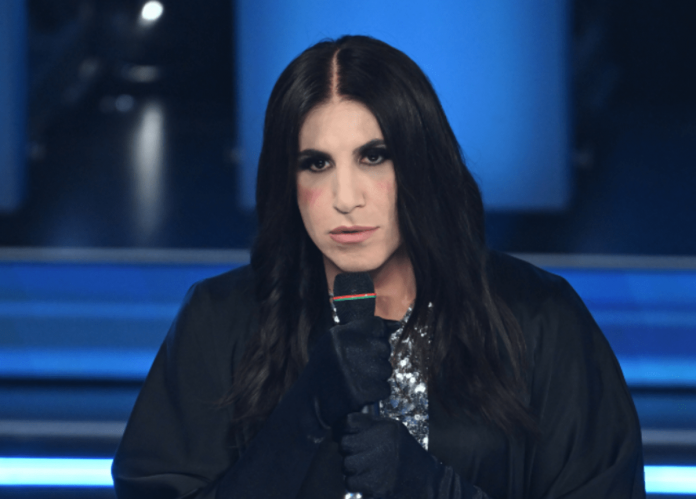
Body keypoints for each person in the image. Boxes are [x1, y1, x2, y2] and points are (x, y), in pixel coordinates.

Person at [111, 35, 646, 498]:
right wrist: (301, 418)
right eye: (316, 164)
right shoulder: (220, 317)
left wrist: (435, 489)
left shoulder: (539, 317)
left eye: (374, 156)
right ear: (286, 179)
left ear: (421, 162)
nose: (346, 198)